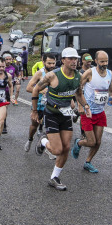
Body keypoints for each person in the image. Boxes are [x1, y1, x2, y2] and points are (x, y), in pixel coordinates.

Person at [31, 47, 90, 191]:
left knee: (66, 148)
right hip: (51, 114)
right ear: (63, 60)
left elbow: (79, 94)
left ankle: (54, 178)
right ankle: (43, 141)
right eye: (70, 58)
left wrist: (86, 106)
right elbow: (35, 89)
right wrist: (34, 111)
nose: (74, 61)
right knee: (57, 150)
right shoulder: (52, 76)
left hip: (66, 115)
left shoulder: (78, 76)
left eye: (75, 59)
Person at [71, 50, 112, 173]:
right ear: (96, 61)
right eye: (102, 61)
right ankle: (79, 143)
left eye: (106, 61)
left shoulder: (110, 74)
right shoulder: (89, 73)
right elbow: (77, 89)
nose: (104, 63)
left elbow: (111, 89)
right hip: (87, 112)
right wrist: (81, 105)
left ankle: (88, 162)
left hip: (100, 112)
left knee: (98, 142)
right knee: (91, 142)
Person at [24, 53, 57, 153]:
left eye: (53, 63)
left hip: (51, 106)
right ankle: (30, 140)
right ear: (43, 62)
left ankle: (48, 148)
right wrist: (40, 90)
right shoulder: (40, 73)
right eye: (49, 63)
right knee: (34, 126)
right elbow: (28, 87)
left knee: (50, 127)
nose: (51, 65)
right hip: (39, 105)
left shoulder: (56, 73)